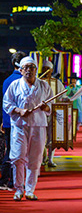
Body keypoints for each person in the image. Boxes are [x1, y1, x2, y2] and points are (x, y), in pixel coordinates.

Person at [3, 56, 54, 201]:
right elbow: (6, 104)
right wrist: (19, 110)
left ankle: (30, 189)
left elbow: (51, 106)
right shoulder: (14, 85)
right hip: (19, 127)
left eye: (32, 67)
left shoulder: (44, 86)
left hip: (38, 126)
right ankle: (19, 189)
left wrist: (46, 107)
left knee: (35, 159)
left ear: (36, 70)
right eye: (26, 68)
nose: (29, 71)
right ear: (21, 70)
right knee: (18, 158)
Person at [0, 51, 26, 191]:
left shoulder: (7, 80)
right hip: (18, 121)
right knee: (14, 152)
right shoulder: (20, 81)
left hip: (8, 121)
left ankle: (6, 180)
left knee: (10, 150)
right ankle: (8, 180)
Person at [40, 60, 68, 168]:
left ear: (51, 70)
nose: (46, 71)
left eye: (48, 69)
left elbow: (63, 97)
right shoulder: (38, 82)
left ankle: (51, 159)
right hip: (41, 114)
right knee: (41, 137)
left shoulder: (57, 83)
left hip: (54, 114)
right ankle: (43, 158)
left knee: (53, 137)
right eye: (44, 69)